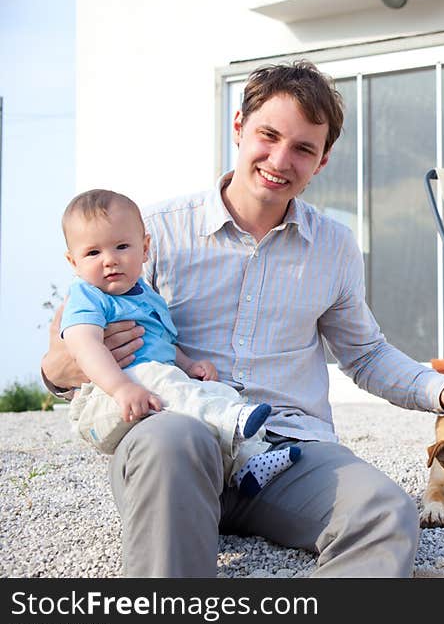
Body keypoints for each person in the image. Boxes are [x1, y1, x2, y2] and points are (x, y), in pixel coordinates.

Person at [42, 60, 444, 578]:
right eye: (268, 135)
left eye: (302, 148)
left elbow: (365, 354)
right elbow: (63, 355)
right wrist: (63, 370)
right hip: (176, 446)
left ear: (323, 160)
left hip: (286, 453)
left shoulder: (334, 247)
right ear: (239, 128)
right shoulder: (148, 234)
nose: (279, 159)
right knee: (174, 440)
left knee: (386, 513)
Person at [60, 189, 298, 495]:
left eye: (121, 246)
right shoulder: (87, 296)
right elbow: (85, 346)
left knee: (216, 390)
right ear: (73, 261)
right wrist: (121, 387)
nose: (109, 261)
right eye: (93, 253)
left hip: (154, 382)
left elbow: (163, 344)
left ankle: (249, 463)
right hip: (110, 396)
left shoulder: (147, 295)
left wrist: (189, 364)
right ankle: (231, 421)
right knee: (166, 380)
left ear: (145, 248)